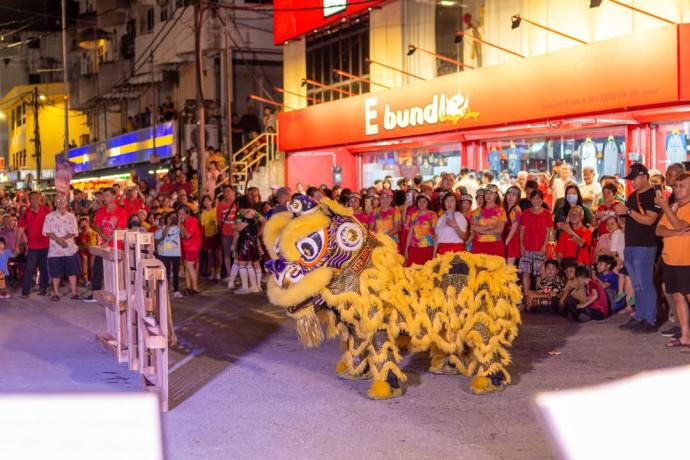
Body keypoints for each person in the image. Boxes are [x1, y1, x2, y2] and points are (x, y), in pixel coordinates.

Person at [617, 163, 661, 333]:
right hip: (630, 245)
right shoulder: (632, 196)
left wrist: (627, 211)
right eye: (630, 180)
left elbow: (650, 220)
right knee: (637, 285)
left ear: (644, 176)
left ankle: (650, 320)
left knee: (645, 284)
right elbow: (631, 219)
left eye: (634, 179)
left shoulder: (654, 195)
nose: (632, 183)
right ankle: (640, 316)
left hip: (645, 246)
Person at [655, 171, 690, 349]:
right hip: (670, 260)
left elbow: (680, 224)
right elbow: (659, 230)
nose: (677, 189)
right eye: (676, 186)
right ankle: (685, 336)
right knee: (677, 296)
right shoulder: (674, 206)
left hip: (686, 260)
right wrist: (677, 233)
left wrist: (666, 208)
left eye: (682, 186)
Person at [85, 187, 128, 302]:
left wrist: (110, 238)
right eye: (104, 195)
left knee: (115, 271)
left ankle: (117, 295)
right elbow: (97, 226)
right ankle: (95, 293)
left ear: (114, 197)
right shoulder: (101, 210)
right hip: (102, 245)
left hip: (116, 246)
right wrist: (103, 236)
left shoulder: (121, 211)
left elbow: (120, 227)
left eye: (107, 195)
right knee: (98, 269)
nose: (104, 198)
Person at [42, 195, 81, 301]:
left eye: (63, 200)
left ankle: (74, 293)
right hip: (55, 249)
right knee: (55, 272)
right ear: (54, 203)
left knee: (72, 271)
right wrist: (58, 240)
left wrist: (62, 239)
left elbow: (74, 232)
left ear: (66, 203)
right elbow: (47, 231)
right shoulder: (49, 216)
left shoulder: (71, 216)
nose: (60, 202)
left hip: (70, 249)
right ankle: (55, 293)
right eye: (58, 200)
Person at [17, 191, 51, 298]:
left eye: (37, 198)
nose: (35, 200)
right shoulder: (25, 212)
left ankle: (43, 289)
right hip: (33, 246)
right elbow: (21, 229)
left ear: (40, 199)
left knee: (44, 268)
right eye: (32, 198)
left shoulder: (47, 210)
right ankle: (25, 291)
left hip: (46, 245)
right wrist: (17, 245)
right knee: (29, 268)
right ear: (29, 200)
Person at [519, 190, 553, 298]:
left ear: (542, 200)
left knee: (540, 273)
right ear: (530, 199)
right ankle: (527, 297)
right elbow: (522, 231)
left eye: (538, 198)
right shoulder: (526, 213)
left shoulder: (547, 213)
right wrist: (522, 246)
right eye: (533, 198)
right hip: (527, 247)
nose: (535, 200)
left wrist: (544, 246)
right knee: (525, 273)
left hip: (540, 247)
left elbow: (549, 231)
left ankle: (540, 297)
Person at [232, 195, 265, 294]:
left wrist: (233, 226)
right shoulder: (254, 212)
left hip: (245, 241)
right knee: (250, 264)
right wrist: (259, 233)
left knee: (242, 264)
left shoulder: (241, 213)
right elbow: (264, 221)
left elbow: (239, 228)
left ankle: (245, 287)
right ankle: (255, 286)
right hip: (253, 240)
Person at [470, 184, 506, 257]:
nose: (488, 196)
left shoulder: (500, 210)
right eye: (487, 193)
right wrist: (489, 227)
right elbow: (473, 228)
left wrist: (482, 231)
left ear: (496, 195)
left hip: (495, 245)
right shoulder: (477, 211)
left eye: (491, 193)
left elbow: (499, 230)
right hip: (479, 244)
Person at [155, 212, 182, 298]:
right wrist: (168, 224)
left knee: (175, 273)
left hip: (176, 253)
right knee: (166, 273)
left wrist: (180, 224)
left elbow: (185, 235)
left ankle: (176, 291)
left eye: (174, 218)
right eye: (170, 218)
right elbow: (162, 237)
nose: (172, 219)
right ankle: (165, 289)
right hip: (165, 254)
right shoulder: (160, 230)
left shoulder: (177, 228)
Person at [404, 194, 436, 266]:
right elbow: (410, 233)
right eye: (419, 201)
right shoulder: (414, 215)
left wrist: (434, 253)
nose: (421, 203)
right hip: (414, 248)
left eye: (424, 201)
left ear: (428, 203)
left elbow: (436, 234)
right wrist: (406, 249)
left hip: (428, 248)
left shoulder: (432, 215)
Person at [178, 206, 201, 295]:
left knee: (190, 267)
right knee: (187, 268)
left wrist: (180, 225)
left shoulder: (193, 221)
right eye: (179, 214)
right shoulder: (183, 222)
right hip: (185, 247)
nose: (180, 216)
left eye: (182, 214)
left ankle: (195, 288)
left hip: (192, 247)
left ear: (188, 214)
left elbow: (187, 235)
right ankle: (188, 287)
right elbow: (181, 235)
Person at [216, 185, 238, 280]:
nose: (226, 194)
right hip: (226, 234)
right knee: (227, 254)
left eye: (228, 191)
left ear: (233, 192)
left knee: (238, 254)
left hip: (237, 233)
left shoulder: (237, 203)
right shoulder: (220, 205)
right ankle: (229, 274)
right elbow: (219, 220)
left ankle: (238, 273)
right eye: (224, 192)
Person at [200, 195, 221, 280]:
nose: (206, 202)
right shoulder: (203, 213)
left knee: (218, 254)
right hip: (208, 236)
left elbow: (219, 222)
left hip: (216, 234)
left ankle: (218, 273)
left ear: (211, 201)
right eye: (204, 201)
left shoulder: (216, 210)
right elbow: (203, 226)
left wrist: (215, 223)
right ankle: (212, 273)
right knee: (210, 255)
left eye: (208, 200)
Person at [502, 186, 522, 264]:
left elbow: (514, 228)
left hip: (511, 240)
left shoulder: (517, 210)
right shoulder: (503, 208)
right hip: (504, 238)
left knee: (509, 269)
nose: (510, 197)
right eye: (509, 194)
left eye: (514, 195)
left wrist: (506, 242)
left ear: (517, 198)